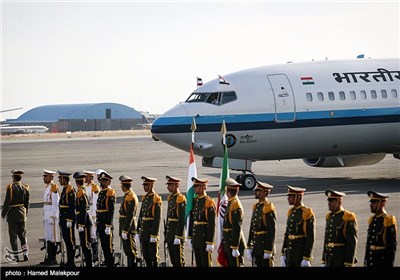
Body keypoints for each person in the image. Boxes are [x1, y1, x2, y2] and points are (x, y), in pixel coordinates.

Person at [281, 185, 315, 267]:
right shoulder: (291, 212)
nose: (288, 198)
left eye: (291, 196)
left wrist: (306, 257)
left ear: (298, 197)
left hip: (300, 254)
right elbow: (287, 234)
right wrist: (283, 253)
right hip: (290, 254)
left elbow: (310, 237)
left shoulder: (306, 213)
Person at [322, 189, 357, 267]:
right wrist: (324, 260)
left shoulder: (347, 217)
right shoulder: (329, 217)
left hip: (341, 259)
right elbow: (326, 239)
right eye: (328, 201)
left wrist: (349, 263)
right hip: (330, 258)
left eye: (331, 201)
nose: (329, 203)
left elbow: (351, 242)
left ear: (339, 201)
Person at [1, 170, 30, 262]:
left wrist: (3, 213)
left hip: (13, 214)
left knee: (13, 237)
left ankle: (16, 256)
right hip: (22, 214)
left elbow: (7, 202)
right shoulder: (25, 188)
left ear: (14, 177)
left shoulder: (10, 187)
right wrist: (26, 213)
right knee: (22, 235)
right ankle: (25, 254)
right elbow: (27, 202)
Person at [246, 181, 276, 267]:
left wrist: (268, 250)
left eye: (258, 190)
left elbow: (271, 231)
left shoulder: (268, 208)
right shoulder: (256, 207)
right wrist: (249, 246)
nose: (256, 192)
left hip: (264, 246)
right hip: (256, 246)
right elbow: (252, 228)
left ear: (264, 193)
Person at [187, 177, 216, 267]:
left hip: (204, 240)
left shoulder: (208, 202)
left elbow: (211, 224)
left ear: (204, 187)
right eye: (194, 186)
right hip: (196, 239)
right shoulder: (196, 201)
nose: (195, 188)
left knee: (205, 263)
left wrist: (210, 242)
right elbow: (193, 220)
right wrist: (190, 236)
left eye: (197, 186)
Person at [364, 191, 397, 267]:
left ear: (382, 203)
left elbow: (391, 248)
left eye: (374, 202)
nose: (371, 205)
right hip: (371, 262)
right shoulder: (372, 219)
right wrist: (366, 262)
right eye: (371, 202)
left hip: (381, 262)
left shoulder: (388, 221)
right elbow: (368, 245)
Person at [137, 176, 162, 267]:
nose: (144, 187)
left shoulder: (156, 199)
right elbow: (141, 215)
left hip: (151, 233)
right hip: (144, 233)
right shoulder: (145, 198)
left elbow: (157, 218)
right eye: (144, 185)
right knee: (146, 256)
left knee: (153, 257)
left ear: (151, 185)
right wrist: (137, 230)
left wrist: (154, 234)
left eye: (146, 185)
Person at [222, 178, 246, 267]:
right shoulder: (231, 202)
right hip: (230, 242)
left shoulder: (235, 205)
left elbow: (237, 227)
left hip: (234, 243)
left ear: (228, 191)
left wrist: (235, 247)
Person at [165, 175, 186, 267]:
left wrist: (178, 236)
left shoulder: (180, 199)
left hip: (177, 234)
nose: (168, 187)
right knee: (173, 260)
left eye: (170, 185)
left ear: (175, 185)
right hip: (170, 234)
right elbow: (168, 217)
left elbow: (181, 219)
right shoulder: (170, 198)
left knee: (179, 261)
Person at [96, 171, 116, 267]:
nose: (101, 182)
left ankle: (110, 263)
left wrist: (108, 225)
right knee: (104, 246)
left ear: (108, 182)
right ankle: (107, 262)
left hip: (106, 223)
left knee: (108, 247)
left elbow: (111, 211)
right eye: (101, 180)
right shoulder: (102, 192)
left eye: (104, 181)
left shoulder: (110, 193)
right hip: (100, 223)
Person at [118, 175, 139, 267]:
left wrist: (125, 230)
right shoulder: (127, 195)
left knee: (131, 251)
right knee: (127, 251)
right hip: (125, 227)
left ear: (123, 186)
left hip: (128, 229)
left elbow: (130, 215)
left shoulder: (130, 196)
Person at [40, 169, 60, 265]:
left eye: (46, 176)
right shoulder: (47, 187)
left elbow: (55, 203)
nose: (44, 178)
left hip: (52, 216)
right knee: (48, 237)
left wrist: (53, 216)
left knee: (52, 238)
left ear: (51, 177)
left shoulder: (53, 187)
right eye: (44, 176)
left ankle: (53, 258)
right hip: (47, 215)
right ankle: (48, 258)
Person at [74, 172, 93, 267]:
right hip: (83, 220)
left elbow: (84, 209)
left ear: (77, 183)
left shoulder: (81, 192)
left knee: (86, 244)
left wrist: (81, 224)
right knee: (84, 244)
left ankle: (89, 264)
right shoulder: (81, 191)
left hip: (84, 222)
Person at [58, 171, 77, 267]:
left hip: (68, 219)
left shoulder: (70, 190)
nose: (59, 181)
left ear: (64, 179)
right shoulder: (65, 189)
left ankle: (71, 261)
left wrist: (69, 220)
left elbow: (72, 206)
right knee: (66, 239)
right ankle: (69, 260)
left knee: (70, 240)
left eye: (60, 179)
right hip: (63, 218)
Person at [83, 169, 100, 264]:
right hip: (87, 212)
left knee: (93, 235)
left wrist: (94, 216)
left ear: (90, 177)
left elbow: (95, 203)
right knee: (88, 234)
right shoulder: (85, 187)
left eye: (86, 176)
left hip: (92, 213)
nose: (85, 178)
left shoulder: (94, 187)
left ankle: (95, 254)